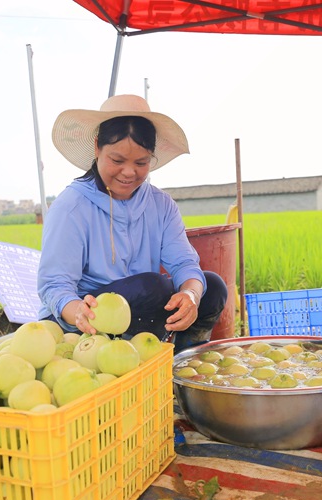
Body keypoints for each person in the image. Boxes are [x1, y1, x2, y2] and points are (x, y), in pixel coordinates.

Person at [37, 94, 227, 353]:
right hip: (81, 323)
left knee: (211, 286)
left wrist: (191, 297)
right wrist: (77, 311)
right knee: (152, 286)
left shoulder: (161, 205)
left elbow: (184, 264)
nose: (129, 172)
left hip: (139, 308)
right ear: (96, 148)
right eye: (117, 161)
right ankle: (131, 360)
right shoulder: (71, 207)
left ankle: (179, 363)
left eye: (141, 163)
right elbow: (55, 285)